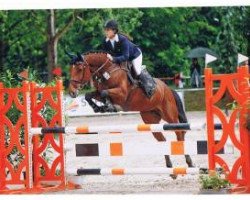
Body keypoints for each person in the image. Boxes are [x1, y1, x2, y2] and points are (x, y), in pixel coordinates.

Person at [101, 19, 155, 98]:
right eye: (105, 30)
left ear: (114, 31)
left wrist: (113, 59)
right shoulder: (105, 41)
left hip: (134, 55)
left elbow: (126, 56)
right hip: (119, 57)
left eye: (108, 30)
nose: (106, 32)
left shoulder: (123, 40)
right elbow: (105, 54)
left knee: (137, 71)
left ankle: (150, 87)